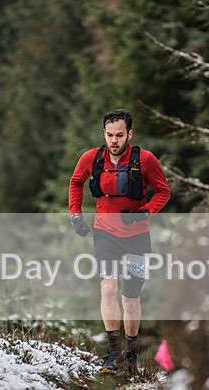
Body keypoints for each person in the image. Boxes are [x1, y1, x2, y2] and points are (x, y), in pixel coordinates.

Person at [68, 109, 170, 374]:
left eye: (119, 135)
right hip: (105, 235)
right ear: (104, 134)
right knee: (108, 288)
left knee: (130, 299)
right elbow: (76, 181)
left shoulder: (145, 160)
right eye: (110, 135)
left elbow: (163, 191)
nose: (114, 140)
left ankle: (132, 357)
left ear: (130, 135)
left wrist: (143, 213)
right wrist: (76, 215)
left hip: (137, 238)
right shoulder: (92, 158)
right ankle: (113, 355)